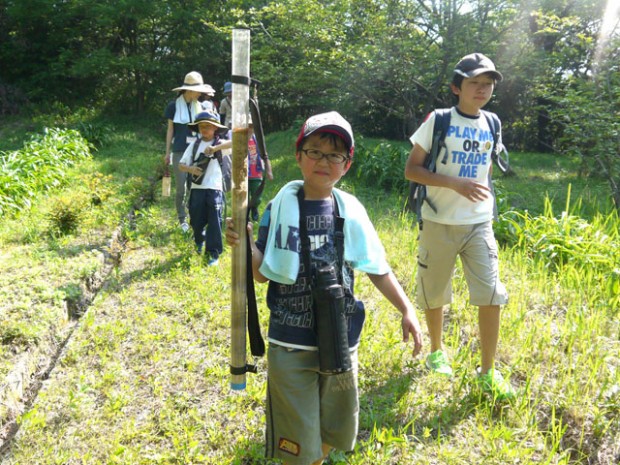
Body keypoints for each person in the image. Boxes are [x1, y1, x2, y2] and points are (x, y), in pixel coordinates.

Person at [226, 111, 423, 465]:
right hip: (290, 342)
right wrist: (244, 244)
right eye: (315, 151)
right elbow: (262, 273)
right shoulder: (279, 207)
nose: (324, 161)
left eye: (335, 155)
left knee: (334, 427)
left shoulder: (351, 212)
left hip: (340, 340)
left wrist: (407, 309)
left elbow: (377, 268)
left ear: (346, 165)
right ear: (299, 155)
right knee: (297, 442)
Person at [404, 53, 515, 400]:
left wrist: (476, 196)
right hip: (438, 221)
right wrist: (454, 184)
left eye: (488, 83)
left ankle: (488, 371)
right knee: (434, 292)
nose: (482, 89)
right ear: (456, 87)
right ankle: (437, 352)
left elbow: (486, 171)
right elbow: (411, 170)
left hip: (479, 223)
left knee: (491, 294)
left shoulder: (492, 123)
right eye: (474, 83)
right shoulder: (438, 121)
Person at [164, 71, 215, 232]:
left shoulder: (199, 107)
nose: (200, 93)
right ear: (189, 90)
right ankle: (182, 219)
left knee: (193, 186)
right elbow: (170, 130)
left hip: (195, 150)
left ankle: (194, 217)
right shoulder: (173, 106)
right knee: (181, 188)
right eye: (198, 90)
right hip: (179, 150)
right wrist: (167, 153)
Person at [178, 111, 229, 266]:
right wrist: (191, 170)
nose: (204, 130)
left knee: (215, 220)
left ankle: (213, 253)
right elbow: (181, 165)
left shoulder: (221, 143)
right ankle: (199, 240)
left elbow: (238, 143)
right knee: (196, 219)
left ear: (215, 128)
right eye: (201, 127)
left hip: (215, 187)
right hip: (197, 188)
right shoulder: (195, 145)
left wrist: (214, 149)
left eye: (208, 126)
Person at [247, 119, 273, 221]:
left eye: (252, 126)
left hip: (256, 173)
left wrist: (269, 170)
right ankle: (246, 214)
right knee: (244, 197)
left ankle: (254, 208)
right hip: (245, 174)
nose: (250, 129)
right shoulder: (239, 141)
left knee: (257, 196)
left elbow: (265, 156)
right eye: (248, 126)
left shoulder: (257, 140)